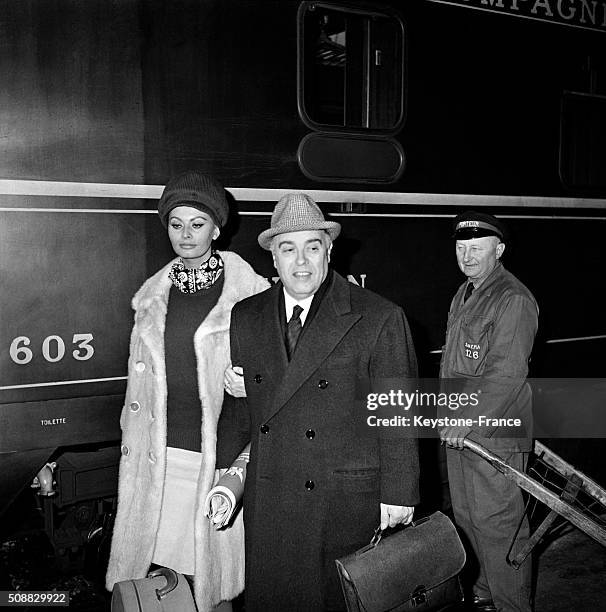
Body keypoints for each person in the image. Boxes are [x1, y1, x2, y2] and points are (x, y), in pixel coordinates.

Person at [214, 192, 420, 611]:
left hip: (341, 499)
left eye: (312, 247)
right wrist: (224, 469)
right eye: (288, 249)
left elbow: (397, 412)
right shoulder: (247, 316)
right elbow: (242, 402)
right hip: (271, 493)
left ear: (329, 249)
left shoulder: (378, 316)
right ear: (273, 258)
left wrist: (399, 493)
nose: (301, 262)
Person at [105, 171, 270, 612]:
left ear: (217, 228)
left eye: (197, 224)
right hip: (159, 456)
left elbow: (275, 380)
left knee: (211, 585)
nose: (186, 234)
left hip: (215, 457)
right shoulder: (151, 297)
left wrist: (246, 381)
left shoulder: (250, 294)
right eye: (176, 224)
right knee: (159, 584)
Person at [439, 211, 538, 612]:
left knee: (499, 527)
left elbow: (505, 372)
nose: (467, 256)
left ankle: (512, 605)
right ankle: (483, 597)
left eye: (477, 248)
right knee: (466, 519)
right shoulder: (465, 293)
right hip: (460, 433)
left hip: (492, 433)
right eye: (462, 248)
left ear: (498, 249)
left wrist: (466, 419)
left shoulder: (512, 299)